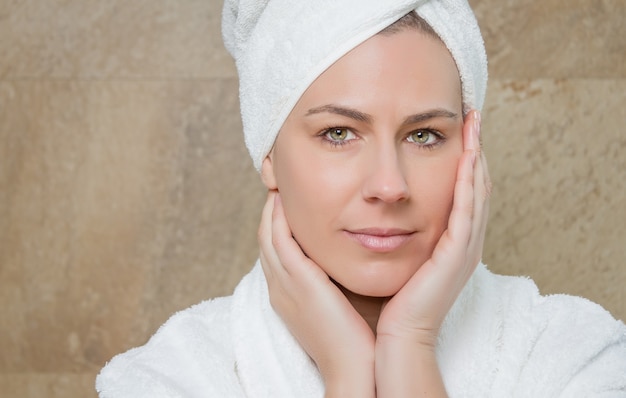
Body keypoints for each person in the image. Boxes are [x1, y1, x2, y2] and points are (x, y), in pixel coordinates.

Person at [96, 1, 626, 397]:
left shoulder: (580, 359)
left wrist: (410, 347)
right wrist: (348, 374)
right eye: (338, 133)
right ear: (268, 154)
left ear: (471, 150)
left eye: (424, 136)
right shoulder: (169, 378)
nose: (389, 186)